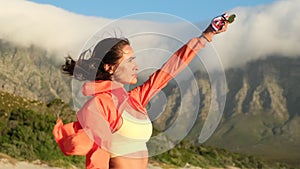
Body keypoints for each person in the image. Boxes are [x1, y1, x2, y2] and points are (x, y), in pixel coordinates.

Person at [53, 13, 231, 169]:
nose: (136, 66)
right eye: (129, 61)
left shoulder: (134, 100)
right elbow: (97, 155)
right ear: (109, 67)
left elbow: (169, 71)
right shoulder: (101, 104)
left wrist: (206, 35)